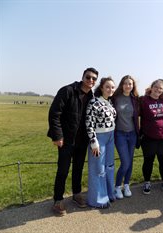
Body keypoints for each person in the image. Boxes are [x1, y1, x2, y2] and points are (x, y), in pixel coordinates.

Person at [47, 67, 98, 216]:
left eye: (94, 79)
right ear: (82, 77)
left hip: (82, 141)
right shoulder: (67, 90)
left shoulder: (92, 97)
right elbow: (54, 114)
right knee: (63, 170)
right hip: (66, 140)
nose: (90, 80)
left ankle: (76, 194)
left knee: (78, 168)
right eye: (88, 77)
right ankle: (58, 200)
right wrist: (57, 136)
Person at [140, 79, 163, 195]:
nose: (158, 90)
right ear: (152, 87)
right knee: (148, 161)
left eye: (160, 88)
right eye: (156, 87)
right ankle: (147, 182)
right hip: (149, 137)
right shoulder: (144, 100)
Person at [85, 77, 116, 208]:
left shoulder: (110, 102)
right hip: (99, 138)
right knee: (98, 169)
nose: (110, 89)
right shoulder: (94, 102)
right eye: (107, 87)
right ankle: (97, 199)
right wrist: (94, 142)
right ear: (101, 88)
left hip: (111, 136)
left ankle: (109, 193)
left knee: (109, 166)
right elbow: (89, 123)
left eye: (112, 87)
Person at [112, 75, 140, 199]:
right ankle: (117, 186)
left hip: (132, 134)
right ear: (122, 85)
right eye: (125, 83)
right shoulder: (115, 98)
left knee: (130, 161)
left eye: (130, 84)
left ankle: (126, 185)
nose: (128, 86)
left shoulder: (135, 99)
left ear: (133, 86)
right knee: (125, 162)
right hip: (120, 134)